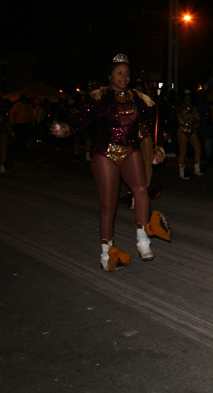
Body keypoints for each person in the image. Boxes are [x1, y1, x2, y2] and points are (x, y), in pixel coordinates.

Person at [51, 54, 170, 272]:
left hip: (130, 150)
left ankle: (143, 242)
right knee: (109, 204)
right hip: (105, 152)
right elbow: (81, 120)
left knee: (141, 190)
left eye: (126, 73)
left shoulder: (142, 99)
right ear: (110, 75)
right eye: (119, 73)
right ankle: (106, 252)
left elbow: (156, 125)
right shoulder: (97, 97)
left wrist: (159, 147)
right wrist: (66, 129)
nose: (123, 77)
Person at [177, 90, 203, 179]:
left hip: (192, 130)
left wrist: (196, 123)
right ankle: (181, 171)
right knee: (183, 151)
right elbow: (179, 120)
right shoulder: (180, 109)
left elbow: (198, 117)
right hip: (183, 130)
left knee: (198, 147)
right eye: (186, 99)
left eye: (189, 99)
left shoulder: (193, 108)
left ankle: (197, 168)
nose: (187, 101)